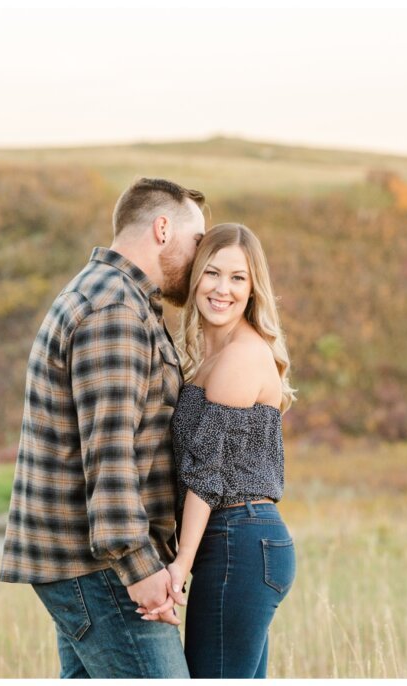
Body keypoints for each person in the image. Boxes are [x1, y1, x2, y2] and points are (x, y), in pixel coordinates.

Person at [0, 177, 207, 678]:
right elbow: (110, 455)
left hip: (88, 560)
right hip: (103, 565)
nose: (201, 257)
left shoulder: (108, 295)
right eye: (197, 240)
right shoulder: (115, 309)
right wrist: (139, 566)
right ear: (162, 228)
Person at [137, 223, 297, 678]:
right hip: (233, 539)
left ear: (252, 289)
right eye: (212, 273)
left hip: (239, 538)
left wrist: (178, 567)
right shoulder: (206, 357)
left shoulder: (242, 357)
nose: (222, 289)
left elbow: (207, 475)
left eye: (237, 278)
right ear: (194, 278)